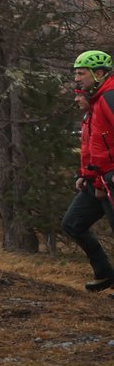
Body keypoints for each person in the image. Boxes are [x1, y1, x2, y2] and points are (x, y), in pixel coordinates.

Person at [64, 49, 114, 293]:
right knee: (73, 223)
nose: (76, 79)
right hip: (98, 180)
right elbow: (96, 146)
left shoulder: (109, 98)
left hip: (111, 178)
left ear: (100, 73)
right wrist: (86, 175)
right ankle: (105, 274)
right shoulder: (95, 102)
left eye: (81, 73)